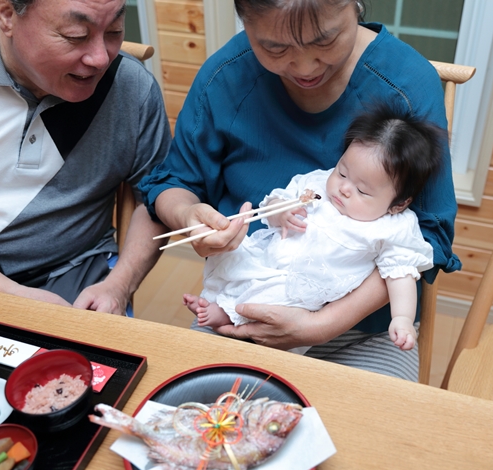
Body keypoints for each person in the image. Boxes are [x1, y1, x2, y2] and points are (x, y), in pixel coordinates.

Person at [139, 0, 461, 380]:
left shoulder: (406, 84)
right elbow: (175, 181)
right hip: (245, 307)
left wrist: (322, 325)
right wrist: (188, 217)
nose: (305, 67)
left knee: (371, 432)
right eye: (275, 48)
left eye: (326, 41)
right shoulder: (225, 77)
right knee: (201, 423)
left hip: (363, 329)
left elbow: (427, 236)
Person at [0, 0, 171, 315]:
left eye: (115, 31)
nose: (100, 58)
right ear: (7, 14)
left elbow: (156, 198)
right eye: (76, 35)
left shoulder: (131, 87)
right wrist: (10, 297)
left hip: (76, 281)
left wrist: (119, 285)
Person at [184, 106, 444, 355]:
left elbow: (400, 275)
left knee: (270, 300)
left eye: (363, 190)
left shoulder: (392, 228)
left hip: (301, 291)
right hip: (270, 258)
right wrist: (281, 212)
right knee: (237, 260)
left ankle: (228, 316)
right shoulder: (317, 183)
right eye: (342, 172)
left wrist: (402, 318)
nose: (344, 188)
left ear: (398, 204)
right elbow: (273, 204)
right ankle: (221, 308)